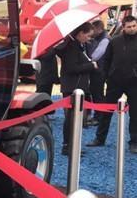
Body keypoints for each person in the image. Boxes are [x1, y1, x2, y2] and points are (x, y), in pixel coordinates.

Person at [87, 15, 137, 153]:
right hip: (115, 81)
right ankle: (99, 138)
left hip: (134, 83)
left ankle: (134, 142)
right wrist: (107, 75)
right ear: (123, 27)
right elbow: (107, 60)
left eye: (134, 26)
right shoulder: (115, 41)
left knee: (135, 113)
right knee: (106, 110)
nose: (132, 29)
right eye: (129, 27)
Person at [56, 22, 97, 155]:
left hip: (76, 86)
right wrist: (91, 66)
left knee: (75, 119)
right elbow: (72, 68)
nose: (89, 38)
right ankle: (68, 146)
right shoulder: (71, 47)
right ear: (80, 33)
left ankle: (72, 145)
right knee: (71, 119)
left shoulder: (78, 46)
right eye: (88, 35)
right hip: (72, 87)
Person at [86, 19, 110, 125]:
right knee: (96, 93)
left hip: (100, 71)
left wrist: (87, 60)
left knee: (97, 94)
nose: (91, 32)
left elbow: (95, 56)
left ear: (98, 29)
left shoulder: (105, 40)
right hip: (98, 70)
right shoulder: (99, 38)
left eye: (93, 29)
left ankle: (99, 117)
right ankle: (99, 115)